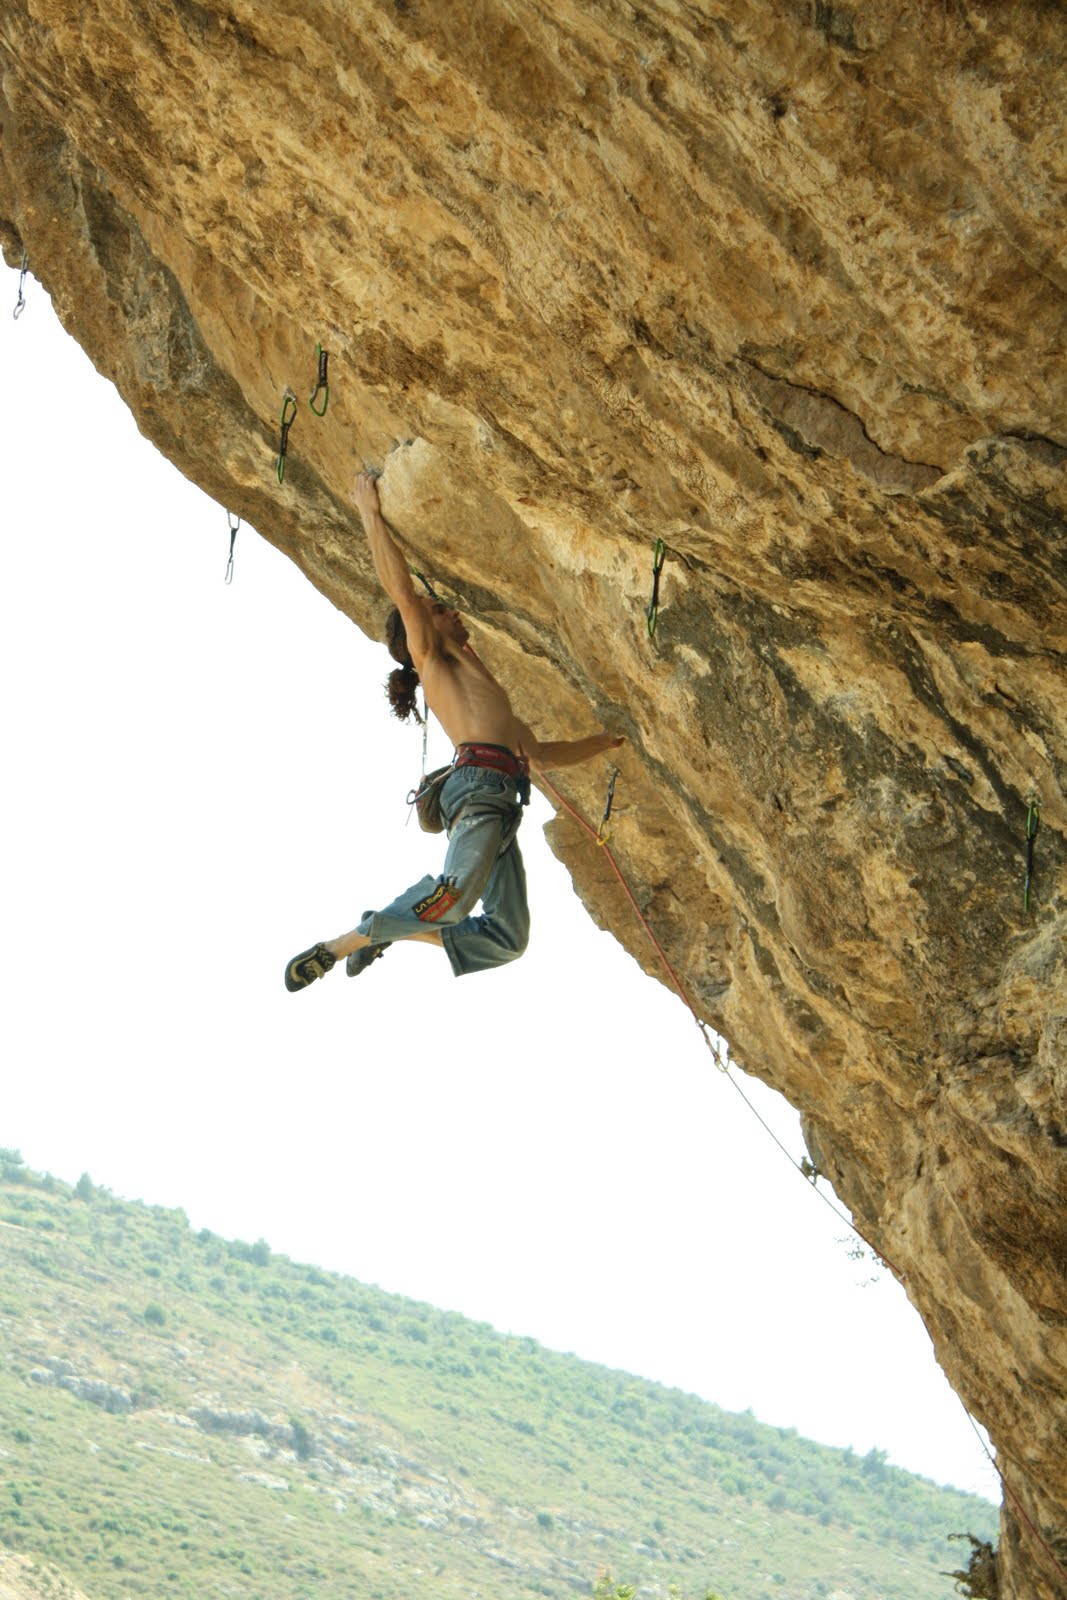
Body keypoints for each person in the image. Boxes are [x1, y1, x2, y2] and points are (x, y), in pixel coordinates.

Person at [284, 469, 624, 991]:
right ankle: (341, 944)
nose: (451, 611)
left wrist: (607, 742)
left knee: (508, 938)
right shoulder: (432, 660)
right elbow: (402, 592)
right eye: (439, 610)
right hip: (478, 790)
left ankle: (384, 931)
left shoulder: (483, 685)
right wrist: (369, 515)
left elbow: (541, 755)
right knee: (455, 898)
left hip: (501, 803)